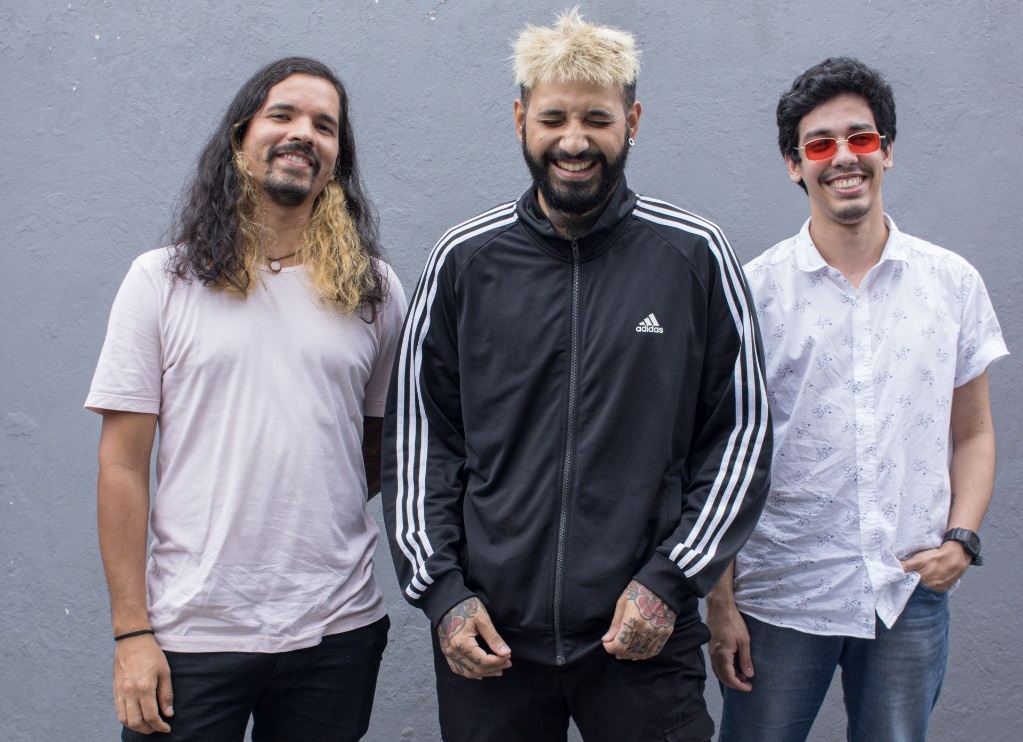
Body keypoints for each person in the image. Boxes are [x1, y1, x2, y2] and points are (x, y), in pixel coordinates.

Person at [381, 9, 771, 742]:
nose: (573, 140)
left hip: (644, 635)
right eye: (553, 118)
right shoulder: (463, 261)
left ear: (632, 121)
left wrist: (670, 581)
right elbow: (420, 441)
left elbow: (739, 437)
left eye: (597, 118)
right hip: (488, 636)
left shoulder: (692, 254)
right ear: (520, 119)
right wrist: (442, 594)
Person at [86, 57, 406, 741]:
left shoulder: (373, 291)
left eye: (324, 126)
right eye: (282, 115)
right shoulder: (160, 281)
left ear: (337, 159)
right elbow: (122, 466)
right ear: (240, 137)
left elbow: (380, 441)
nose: (304, 134)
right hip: (191, 631)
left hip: (337, 629)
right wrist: (131, 633)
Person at [707, 57, 1008, 742]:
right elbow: (719, 456)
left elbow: (973, 432)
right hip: (781, 597)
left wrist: (962, 539)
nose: (843, 156)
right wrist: (719, 603)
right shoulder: (754, 294)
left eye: (860, 138)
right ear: (794, 165)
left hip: (907, 595)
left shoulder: (951, 283)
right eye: (819, 144)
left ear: (886, 151)